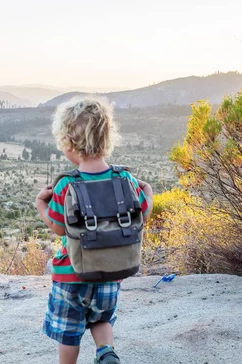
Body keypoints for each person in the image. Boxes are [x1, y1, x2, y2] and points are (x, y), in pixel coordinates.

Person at [35, 97, 153, 364]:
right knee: (101, 318)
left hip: (72, 275)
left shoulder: (66, 184)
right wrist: (147, 190)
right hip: (112, 272)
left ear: (68, 144)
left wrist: (40, 204)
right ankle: (105, 351)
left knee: (69, 333)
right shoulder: (125, 178)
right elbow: (143, 213)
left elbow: (57, 227)